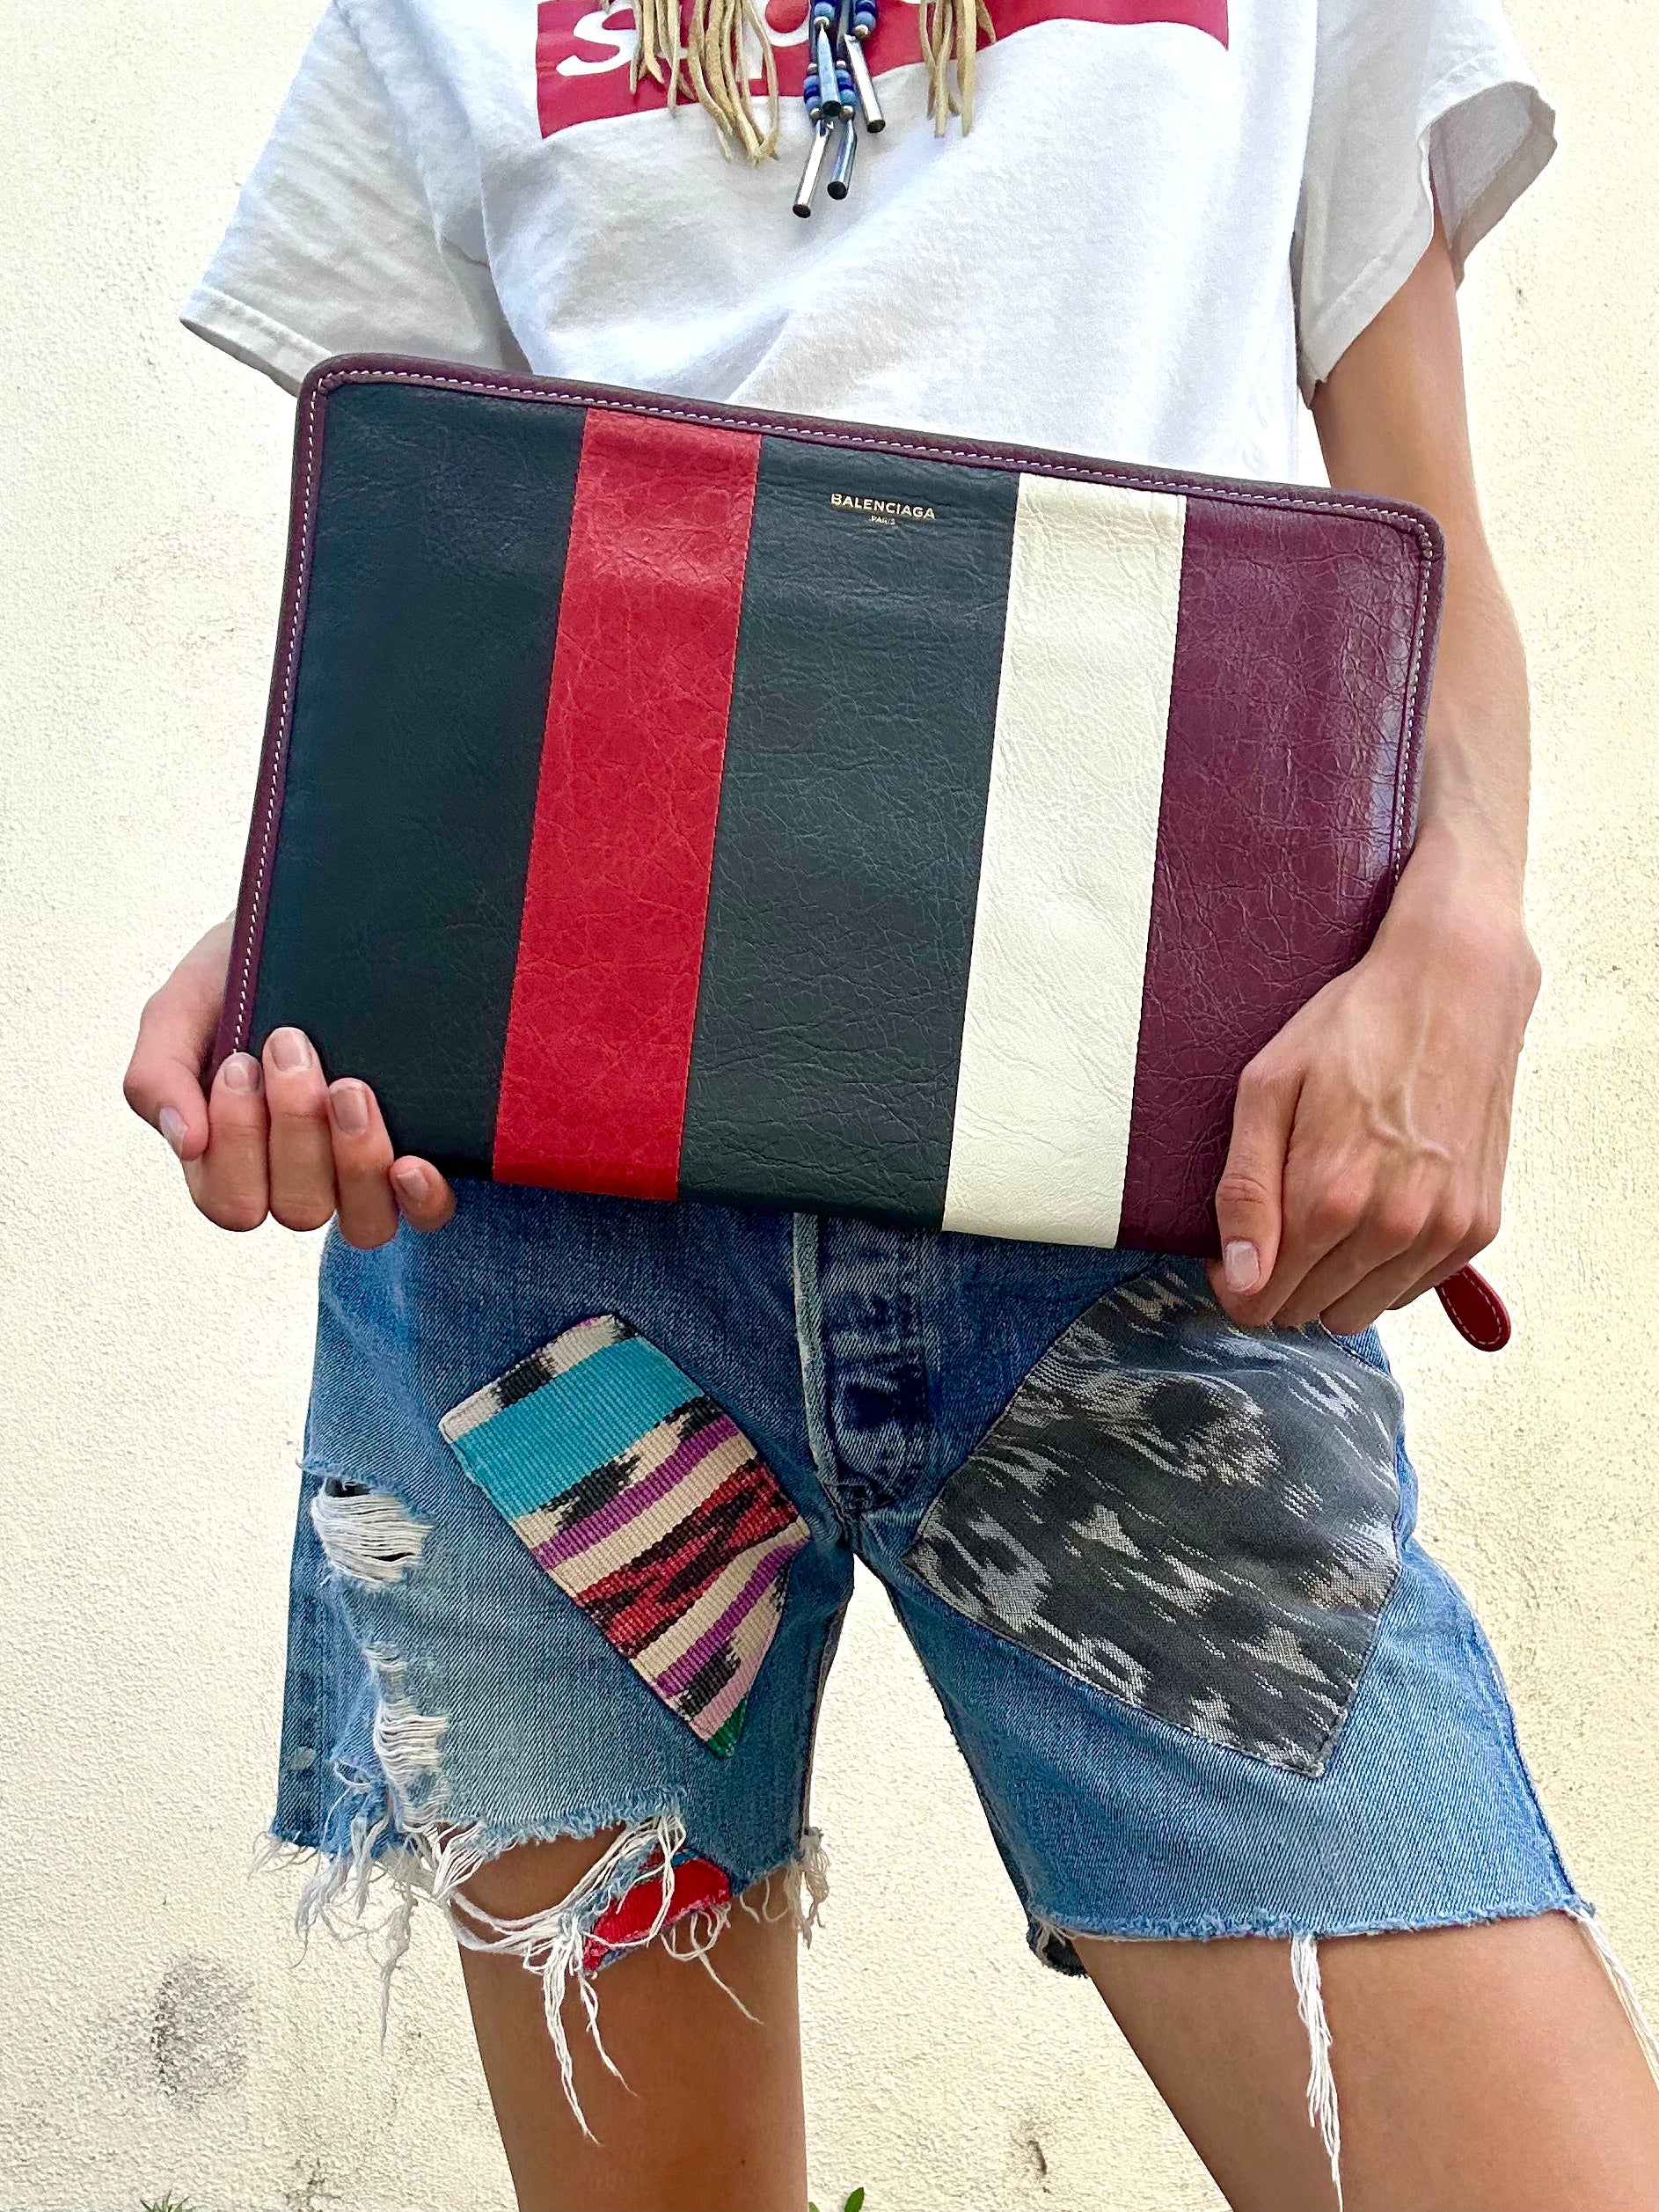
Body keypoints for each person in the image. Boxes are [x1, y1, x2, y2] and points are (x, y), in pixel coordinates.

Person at [123, 2, 1659, 2206]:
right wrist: (293, 954)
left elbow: (1421, 518)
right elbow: (446, 586)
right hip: (555, 1269)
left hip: (1148, 1230)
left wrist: (1468, 935)